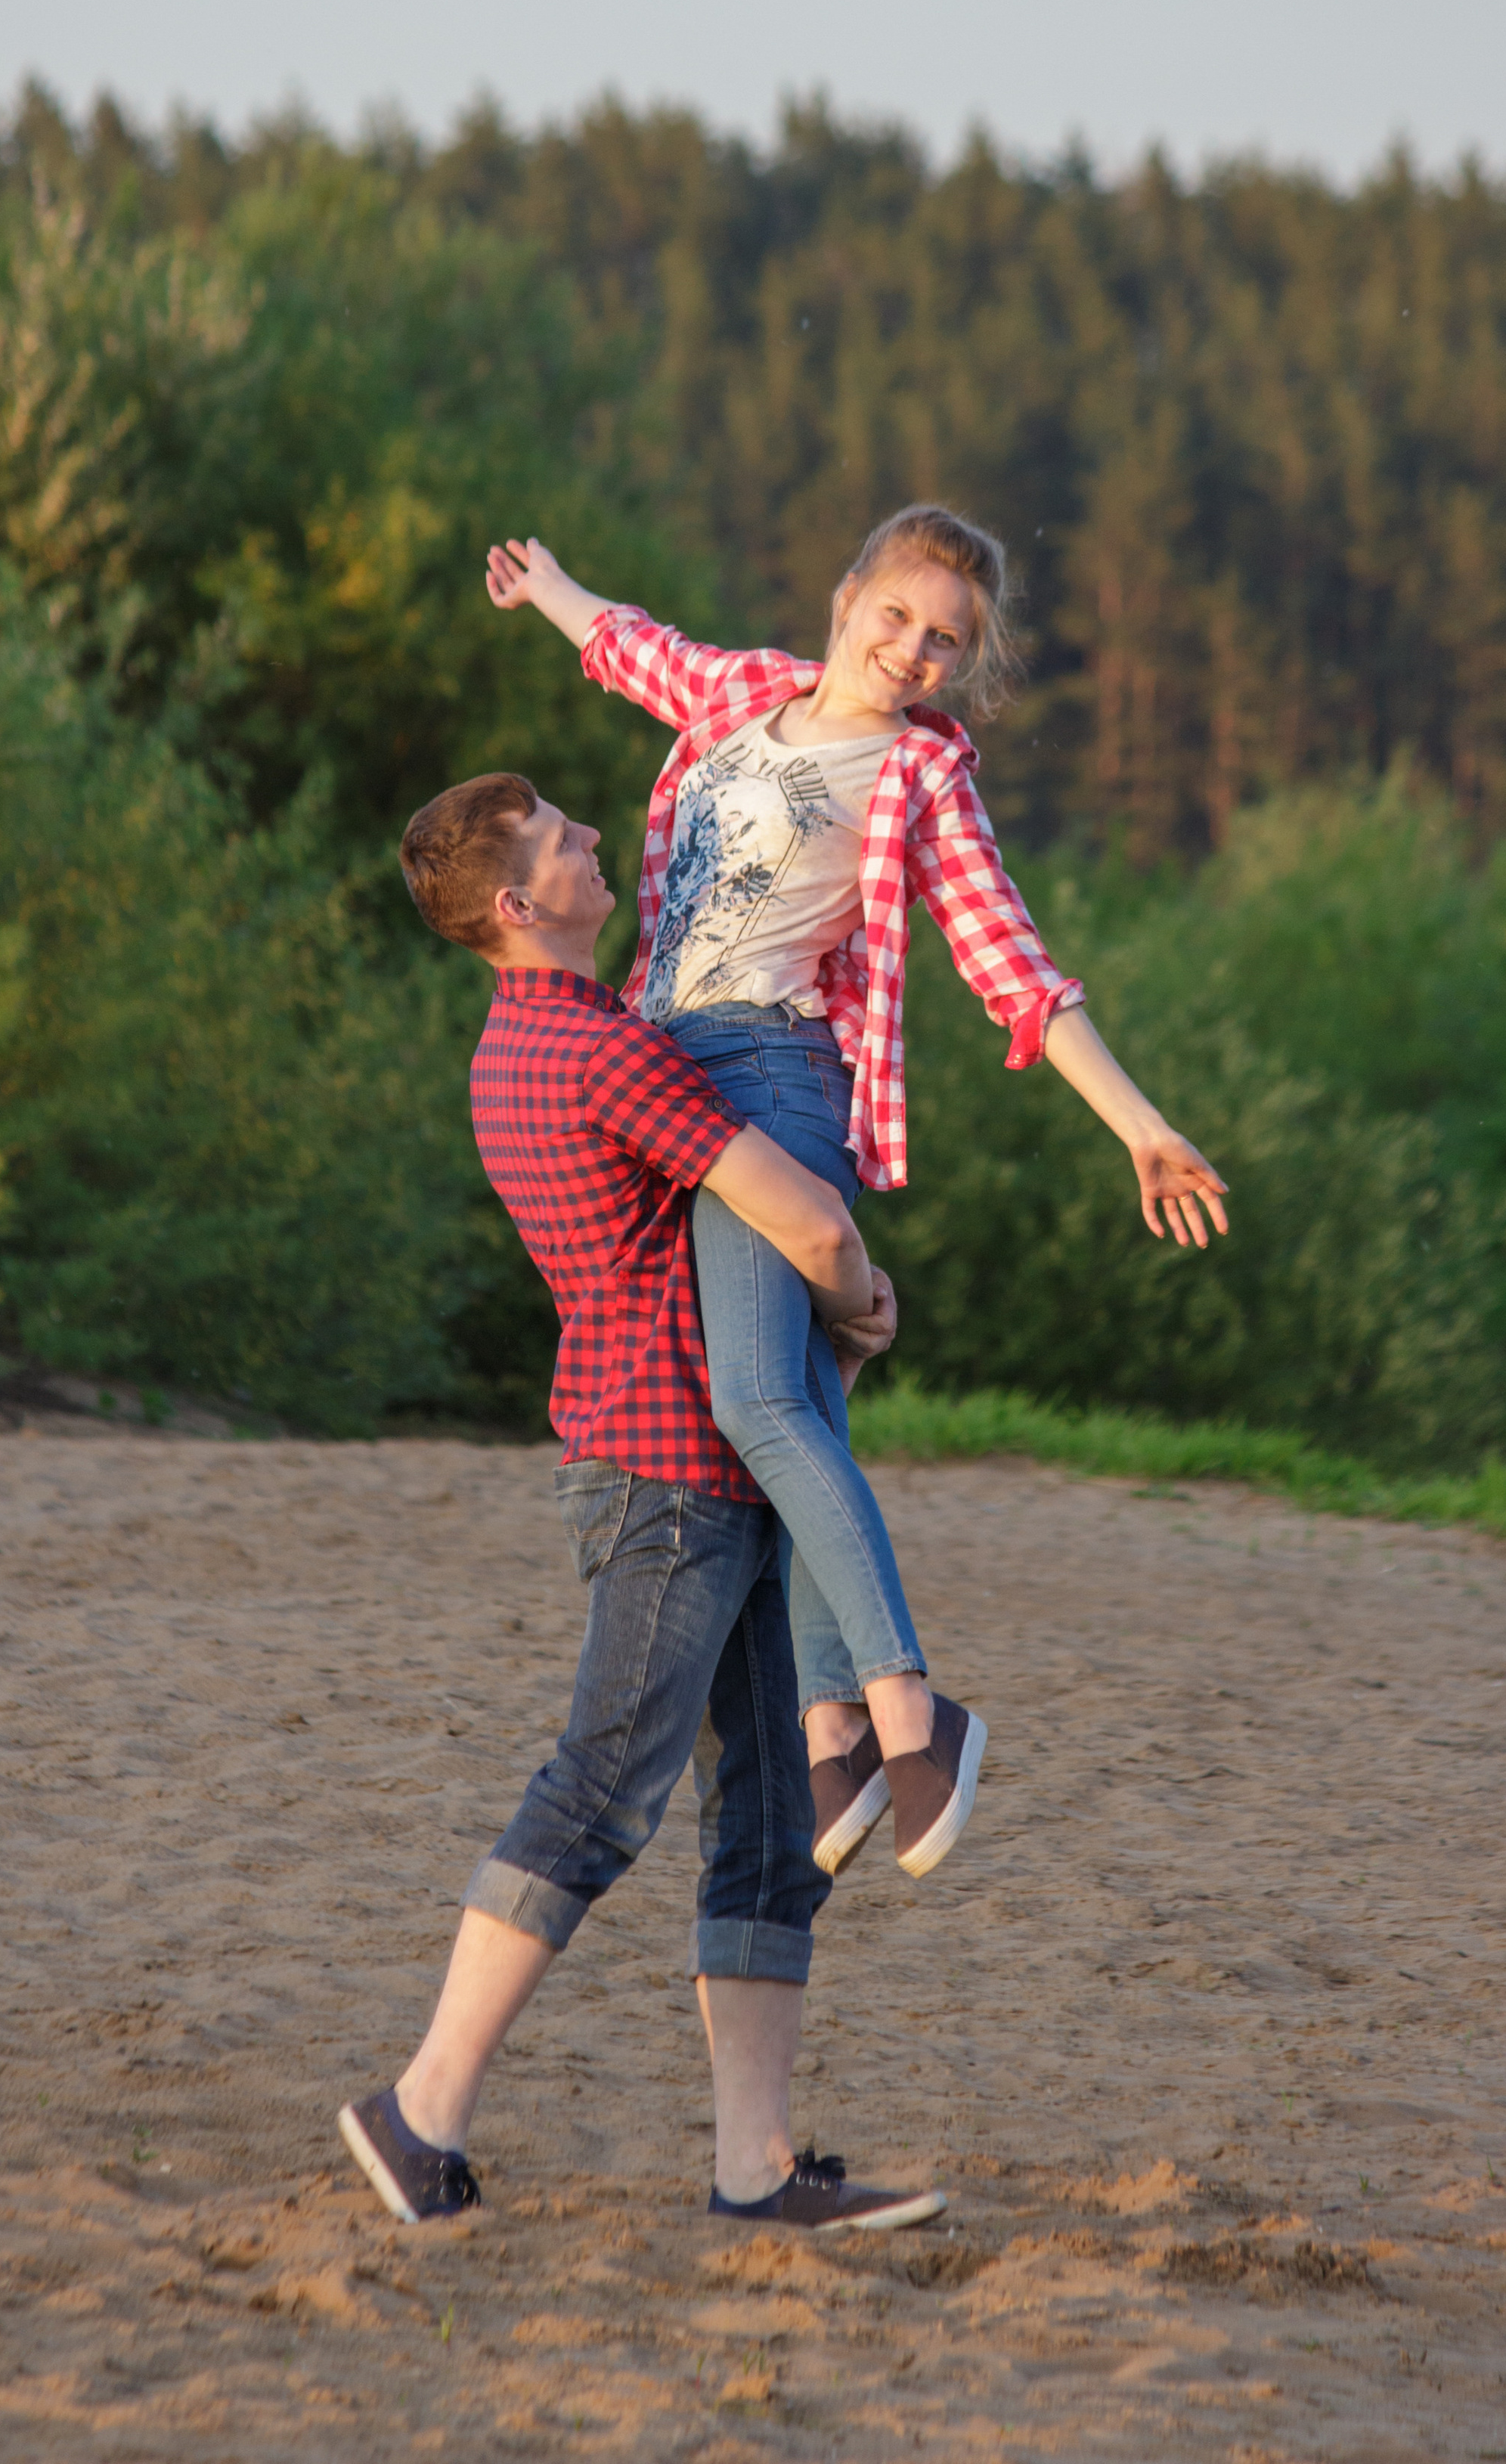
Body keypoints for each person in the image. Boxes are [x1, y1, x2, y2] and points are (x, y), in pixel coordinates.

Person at [485, 507, 1228, 1880]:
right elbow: (634, 648)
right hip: (667, 1074)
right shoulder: (743, 694)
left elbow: (1017, 970)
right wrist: (550, 587)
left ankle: (909, 1716)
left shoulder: (921, 776)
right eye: (898, 616)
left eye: (946, 641)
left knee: (758, 1401)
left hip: (770, 1078)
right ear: (847, 603)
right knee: (791, 1399)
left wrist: (1142, 1126)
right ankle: (833, 1738)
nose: (913, 651)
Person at [338, 768, 953, 2232]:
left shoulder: (531, 1044)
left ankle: (755, 2167)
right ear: (515, 903)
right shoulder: (605, 1053)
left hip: (689, 1468)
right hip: (668, 1476)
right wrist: (858, 1300)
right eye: (562, 839)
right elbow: (803, 1217)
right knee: (604, 1785)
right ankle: (419, 2110)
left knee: (768, 1819)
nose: (595, 839)